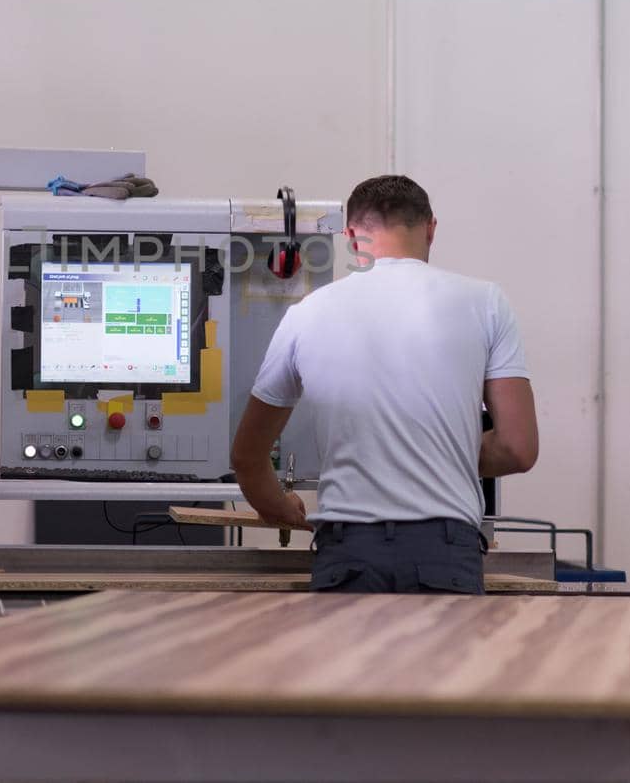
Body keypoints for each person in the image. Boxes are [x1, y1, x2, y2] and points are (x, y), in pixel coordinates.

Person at [230, 174, 538, 593]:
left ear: (351, 236)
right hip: (445, 553)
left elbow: (248, 459)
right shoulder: (486, 303)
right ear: (431, 228)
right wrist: (446, 452)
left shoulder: (307, 312)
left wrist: (283, 508)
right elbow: (519, 448)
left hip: (348, 553)